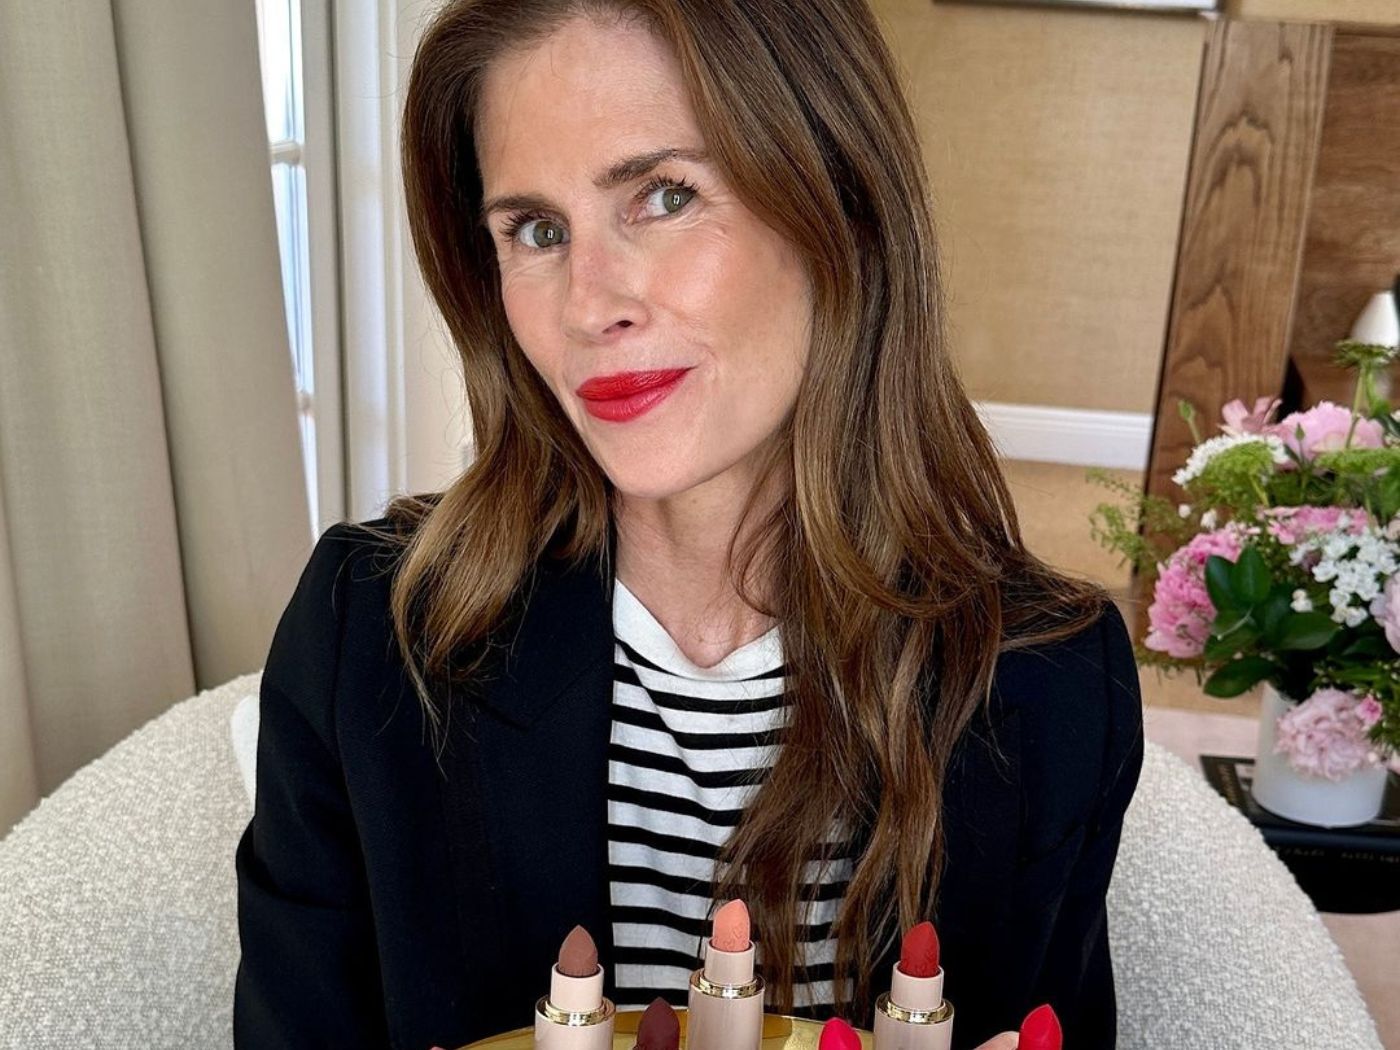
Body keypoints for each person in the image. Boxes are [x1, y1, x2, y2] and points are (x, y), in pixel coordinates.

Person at [232, 1, 1145, 1048]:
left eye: (662, 197)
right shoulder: (371, 630)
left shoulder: (1053, 679)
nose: (588, 306)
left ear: (837, 206)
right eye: (534, 230)